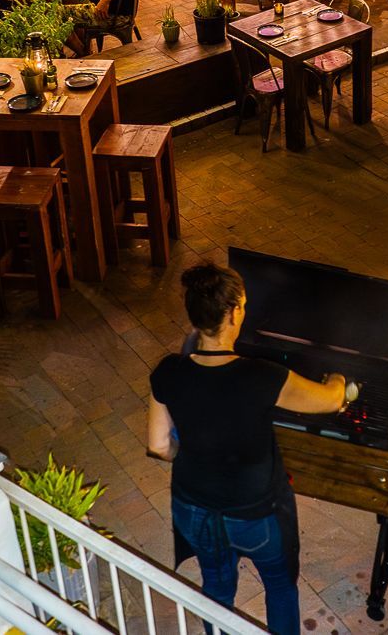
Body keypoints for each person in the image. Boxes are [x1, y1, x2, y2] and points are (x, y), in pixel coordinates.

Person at [148, 263, 346, 635]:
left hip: (194, 509)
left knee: (217, 590)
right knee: (280, 588)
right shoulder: (263, 376)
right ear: (235, 311)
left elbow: (158, 445)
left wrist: (192, 453)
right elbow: (329, 401)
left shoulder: (168, 371)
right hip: (255, 513)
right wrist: (339, 381)